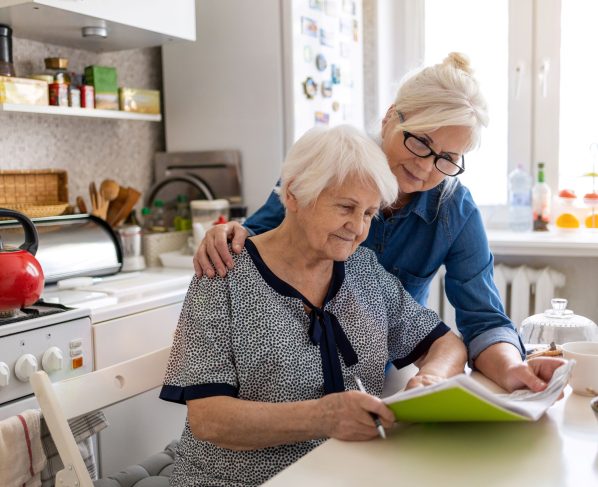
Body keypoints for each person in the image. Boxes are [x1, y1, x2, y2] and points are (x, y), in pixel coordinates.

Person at [193, 52, 565, 393]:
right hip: (287, 376)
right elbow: (258, 241)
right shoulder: (328, 166)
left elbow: (484, 320)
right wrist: (227, 233)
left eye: (447, 158)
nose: (424, 167)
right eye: (420, 142)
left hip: (378, 376)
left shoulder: (455, 210)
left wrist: (513, 368)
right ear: (391, 117)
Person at [160, 125, 467, 486]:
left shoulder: (363, 270)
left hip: (344, 474)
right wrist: (323, 417)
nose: (357, 228)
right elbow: (209, 419)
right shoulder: (224, 272)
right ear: (293, 195)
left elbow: (446, 343)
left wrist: (430, 379)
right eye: (346, 207)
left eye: (369, 213)